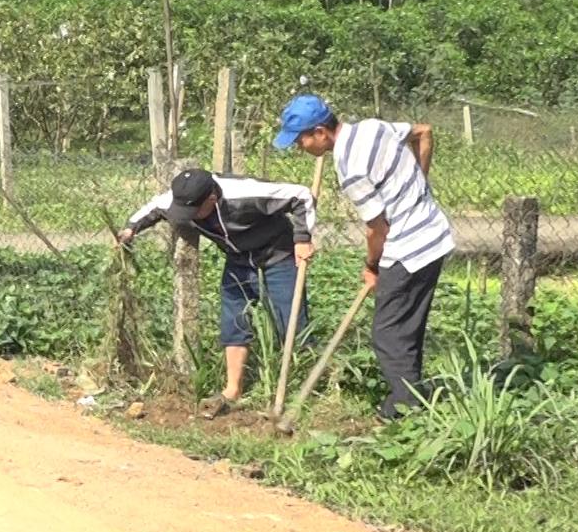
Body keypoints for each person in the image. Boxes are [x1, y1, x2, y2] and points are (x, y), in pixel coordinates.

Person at [276, 94, 452, 419]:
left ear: (320, 132)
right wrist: (419, 184)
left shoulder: (350, 168)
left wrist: (372, 267)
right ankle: (415, 400)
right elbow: (424, 132)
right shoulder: (372, 127)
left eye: (300, 140)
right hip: (435, 236)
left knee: (387, 335)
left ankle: (406, 410)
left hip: (407, 249)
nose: (300, 148)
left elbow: (377, 230)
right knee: (406, 327)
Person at [119, 168, 317, 416]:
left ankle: (306, 390)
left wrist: (302, 238)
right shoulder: (182, 197)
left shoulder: (246, 193)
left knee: (291, 322)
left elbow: (301, 195)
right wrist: (130, 230)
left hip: (279, 255)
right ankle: (232, 389)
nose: (189, 217)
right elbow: (152, 209)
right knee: (233, 320)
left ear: (211, 199)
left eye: (194, 212)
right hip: (238, 259)